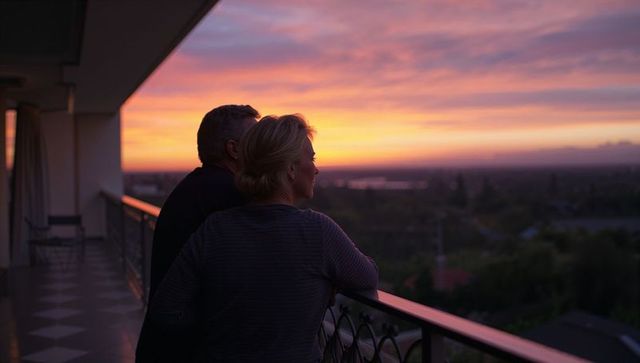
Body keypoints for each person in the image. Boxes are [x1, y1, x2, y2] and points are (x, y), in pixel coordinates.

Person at [148, 114, 378, 362]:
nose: (316, 168)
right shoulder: (317, 231)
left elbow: (165, 310)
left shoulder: (215, 228)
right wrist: (326, 281)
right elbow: (368, 275)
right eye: (310, 158)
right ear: (290, 169)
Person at [136, 104, 259, 363]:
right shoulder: (229, 194)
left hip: (166, 341)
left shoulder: (197, 187)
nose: (262, 146)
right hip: (187, 348)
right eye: (255, 139)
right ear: (233, 149)